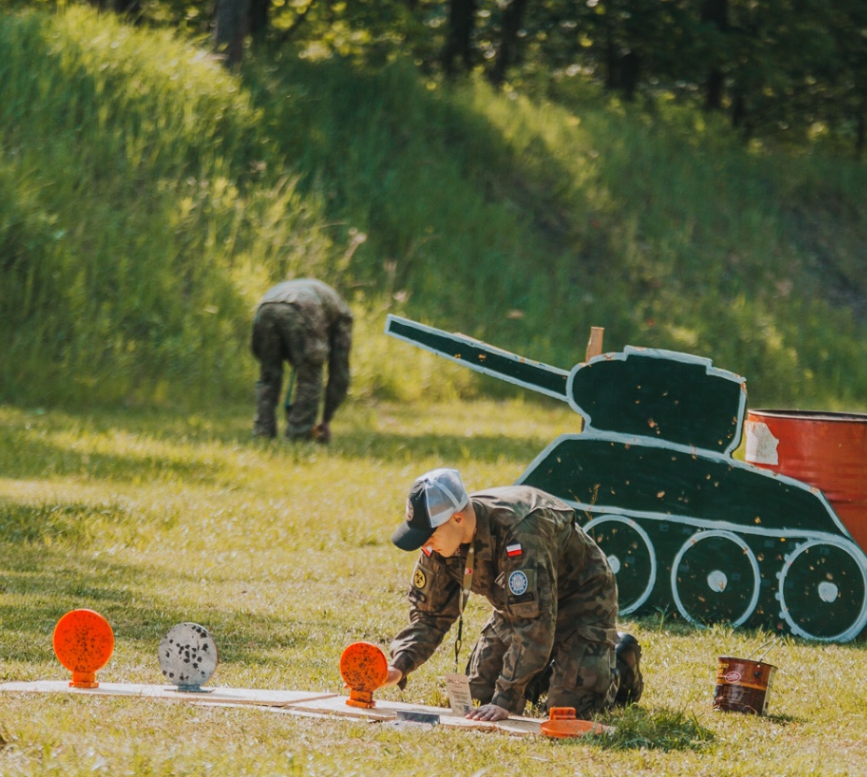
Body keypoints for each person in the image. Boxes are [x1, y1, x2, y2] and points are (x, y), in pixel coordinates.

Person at [384, 467, 643, 722]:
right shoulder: (441, 543)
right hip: (518, 608)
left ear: (457, 518)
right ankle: (545, 672)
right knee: (479, 696)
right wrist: (399, 665)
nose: (424, 544)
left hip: (581, 601)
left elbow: (535, 624)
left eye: (429, 536)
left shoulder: (520, 531)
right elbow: (430, 616)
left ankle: (619, 660)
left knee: (568, 712)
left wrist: (507, 698)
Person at [250, 278, 353, 442]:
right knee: (310, 376)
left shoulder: (328, 303)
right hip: (302, 307)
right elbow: (339, 371)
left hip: (265, 307)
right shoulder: (343, 315)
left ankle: (262, 431)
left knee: (268, 376)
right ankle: (298, 435)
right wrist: (326, 420)